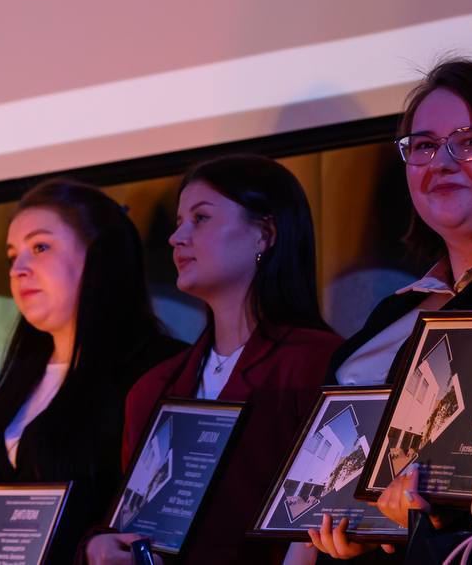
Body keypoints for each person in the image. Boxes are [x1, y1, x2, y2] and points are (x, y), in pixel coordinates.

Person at [305, 59, 472, 563]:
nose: (440, 163)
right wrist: (353, 524)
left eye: (470, 142)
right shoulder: (391, 312)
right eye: (423, 146)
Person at [86, 155, 341, 565]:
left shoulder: (319, 364)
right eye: (178, 222)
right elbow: (134, 520)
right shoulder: (152, 388)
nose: (177, 237)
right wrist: (100, 547)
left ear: (265, 234)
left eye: (200, 218)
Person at [0, 179, 185, 562]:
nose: (18, 270)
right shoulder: (20, 379)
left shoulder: (157, 371)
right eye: (12, 256)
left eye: (40, 247)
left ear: (99, 256)